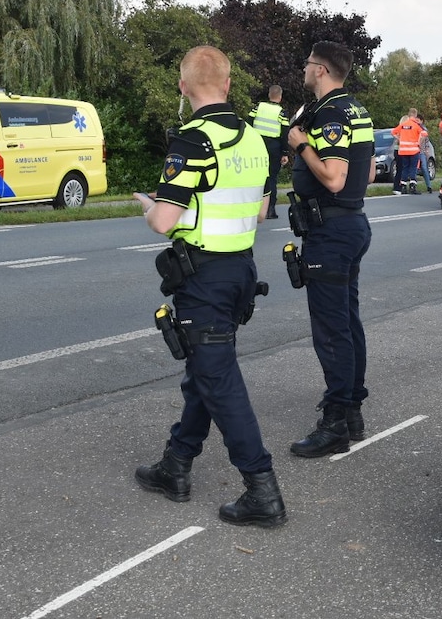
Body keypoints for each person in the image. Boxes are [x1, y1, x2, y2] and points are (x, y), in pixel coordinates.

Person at [131, 45, 286, 528]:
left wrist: (146, 204)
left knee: (219, 382)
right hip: (240, 271)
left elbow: (163, 222)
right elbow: (260, 212)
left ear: (183, 87)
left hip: (203, 279)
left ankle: (262, 489)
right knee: (205, 370)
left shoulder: (193, 142)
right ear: (226, 84)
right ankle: (175, 466)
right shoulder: (254, 141)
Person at [285, 40, 375, 458]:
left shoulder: (330, 113)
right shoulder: (357, 109)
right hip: (351, 224)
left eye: (307, 64)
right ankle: (352, 408)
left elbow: (336, 178)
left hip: (332, 231)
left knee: (331, 329)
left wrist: (300, 145)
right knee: (347, 320)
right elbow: (369, 169)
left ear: (320, 69)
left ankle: (336, 420)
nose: (304, 69)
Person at [248, 84, 290, 218]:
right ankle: (270, 209)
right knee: (271, 178)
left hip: (257, 145)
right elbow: (285, 134)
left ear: (269, 95)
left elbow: (248, 123)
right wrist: (285, 153)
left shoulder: (258, 107)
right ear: (280, 97)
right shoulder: (281, 113)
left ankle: (254, 207)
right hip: (274, 147)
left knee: (255, 177)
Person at [391, 108, 427, 195]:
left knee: (405, 168)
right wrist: (419, 142)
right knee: (413, 168)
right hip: (413, 150)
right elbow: (424, 133)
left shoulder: (403, 124)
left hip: (403, 150)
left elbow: (393, 132)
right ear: (415, 115)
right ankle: (412, 187)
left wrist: (399, 139)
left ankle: (403, 187)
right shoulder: (416, 125)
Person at [416, 113, 434, 193]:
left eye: (418, 120)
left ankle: (429, 185)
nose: (416, 122)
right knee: (414, 168)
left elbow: (426, 141)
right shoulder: (414, 128)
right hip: (414, 150)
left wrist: (427, 150)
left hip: (421, 151)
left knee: (424, 167)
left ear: (421, 121)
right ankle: (413, 185)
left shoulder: (424, 129)